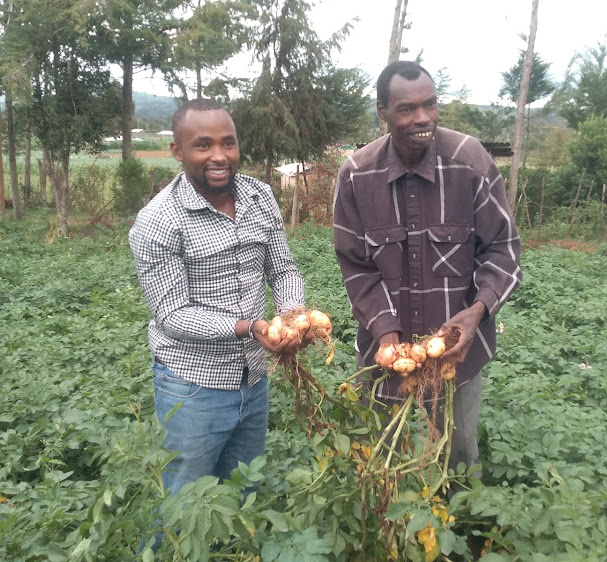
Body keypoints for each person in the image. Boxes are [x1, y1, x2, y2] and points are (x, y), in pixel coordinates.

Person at [332, 61, 522, 475]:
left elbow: (503, 250)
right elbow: (356, 266)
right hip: (385, 355)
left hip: (459, 354)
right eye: (406, 109)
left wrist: (477, 312)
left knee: (456, 456)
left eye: (430, 105)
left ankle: (452, 527)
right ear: (382, 112)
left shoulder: (469, 161)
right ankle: (388, 530)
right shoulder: (357, 176)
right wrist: (387, 332)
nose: (423, 118)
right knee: (379, 453)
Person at [129, 98, 306, 502]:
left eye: (228, 143)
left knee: (243, 492)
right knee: (183, 503)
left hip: (254, 376)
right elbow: (173, 314)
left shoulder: (260, 196)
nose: (219, 156)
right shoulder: (158, 221)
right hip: (193, 386)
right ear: (177, 151)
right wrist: (249, 328)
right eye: (203, 145)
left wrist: (293, 317)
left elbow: (283, 269)